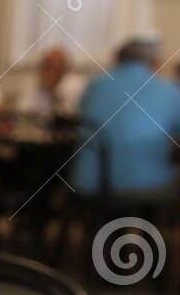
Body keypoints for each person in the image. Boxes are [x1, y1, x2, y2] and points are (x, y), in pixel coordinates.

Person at [74, 36, 180, 199]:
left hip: (90, 181)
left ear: (118, 59)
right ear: (155, 62)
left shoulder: (93, 86)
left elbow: (80, 118)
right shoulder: (168, 89)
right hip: (146, 184)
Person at [16, 46, 85, 120]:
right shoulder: (32, 82)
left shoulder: (75, 84)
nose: (50, 71)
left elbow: (68, 113)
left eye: (56, 66)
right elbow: (22, 110)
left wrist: (52, 90)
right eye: (46, 65)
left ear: (65, 68)